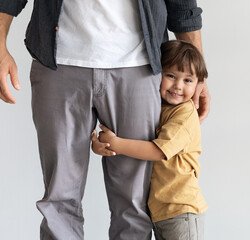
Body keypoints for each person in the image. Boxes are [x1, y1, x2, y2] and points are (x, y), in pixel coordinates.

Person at [0, 0, 210, 239]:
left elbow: (182, 5)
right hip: (58, 63)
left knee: (133, 203)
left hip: (138, 65)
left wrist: (197, 73)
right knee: (59, 198)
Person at [91, 40, 208, 240]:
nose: (178, 86)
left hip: (181, 210)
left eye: (188, 80)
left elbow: (158, 151)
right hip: (161, 212)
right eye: (170, 76)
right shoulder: (157, 107)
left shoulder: (185, 114)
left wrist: (117, 144)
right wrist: (100, 142)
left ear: (199, 85)